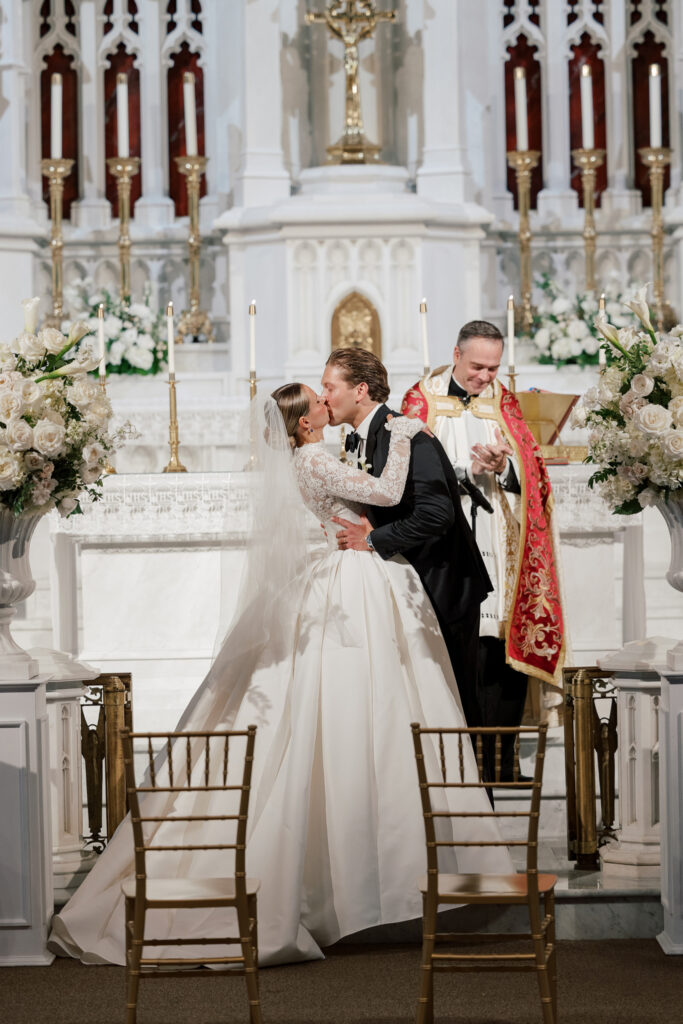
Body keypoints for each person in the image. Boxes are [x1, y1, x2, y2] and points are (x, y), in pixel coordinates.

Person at [49, 383, 511, 969]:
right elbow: (388, 491)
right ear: (304, 424)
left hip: (348, 571)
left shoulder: (312, 457)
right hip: (352, 577)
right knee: (360, 701)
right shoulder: (314, 459)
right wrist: (405, 433)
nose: (326, 403)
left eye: (326, 393)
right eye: (318, 401)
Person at [400, 320, 565, 781]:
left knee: (502, 650)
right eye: (477, 366)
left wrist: (504, 468)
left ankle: (503, 758)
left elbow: (533, 473)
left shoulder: (504, 402)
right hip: (448, 547)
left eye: (493, 368)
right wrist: (465, 472)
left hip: (500, 541)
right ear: (456, 355)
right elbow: (404, 474)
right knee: (460, 650)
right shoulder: (421, 401)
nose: (486, 377)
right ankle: (461, 764)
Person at [322, 348, 491, 729]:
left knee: (456, 702)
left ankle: (471, 770)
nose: (323, 397)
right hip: (406, 583)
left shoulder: (408, 435)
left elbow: (437, 514)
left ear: (360, 390)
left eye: (329, 387)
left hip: (443, 583)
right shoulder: (358, 439)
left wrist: (373, 539)